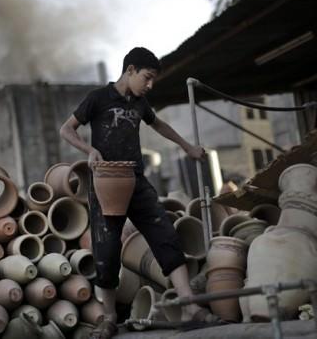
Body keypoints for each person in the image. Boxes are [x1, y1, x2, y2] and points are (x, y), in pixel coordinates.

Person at [60, 47, 220, 339]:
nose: (150, 85)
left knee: (166, 235)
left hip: (136, 182)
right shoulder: (98, 98)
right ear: (130, 70)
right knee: (107, 251)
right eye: (147, 77)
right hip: (106, 183)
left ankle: (189, 307)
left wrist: (187, 147)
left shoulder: (140, 103)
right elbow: (66, 130)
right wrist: (89, 150)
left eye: (153, 79)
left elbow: (158, 124)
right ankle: (109, 317)